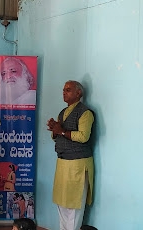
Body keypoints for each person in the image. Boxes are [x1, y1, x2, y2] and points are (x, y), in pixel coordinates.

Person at [46, 80, 95, 230]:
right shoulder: (63, 112)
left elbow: (83, 137)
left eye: (68, 90)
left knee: (74, 204)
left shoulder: (85, 113)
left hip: (78, 164)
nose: (64, 93)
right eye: (63, 90)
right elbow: (58, 135)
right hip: (63, 162)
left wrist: (60, 131)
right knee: (62, 202)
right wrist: (55, 130)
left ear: (78, 93)